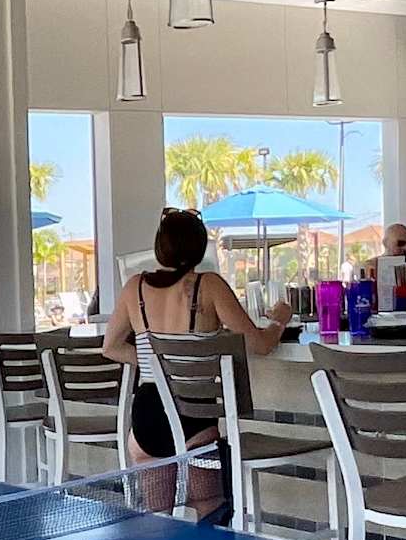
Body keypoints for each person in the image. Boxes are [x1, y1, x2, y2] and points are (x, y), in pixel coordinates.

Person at [99, 207, 291, 520]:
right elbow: (260, 344)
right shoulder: (209, 285)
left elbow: (111, 347)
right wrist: (279, 320)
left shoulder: (134, 287)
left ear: (160, 247)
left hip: (147, 418)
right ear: (200, 247)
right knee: (210, 516)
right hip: (195, 419)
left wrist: (157, 365)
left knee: (155, 523)